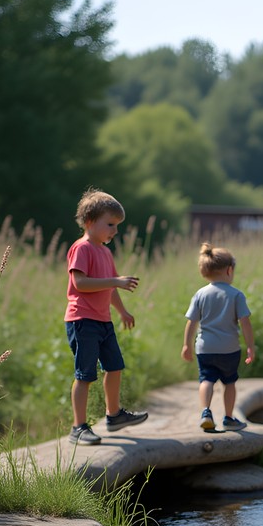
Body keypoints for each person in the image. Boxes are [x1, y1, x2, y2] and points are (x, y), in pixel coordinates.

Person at [64, 188, 148, 446]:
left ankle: (113, 415)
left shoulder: (104, 252)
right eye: (110, 224)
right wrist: (116, 280)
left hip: (103, 320)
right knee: (85, 375)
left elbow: (107, 288)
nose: (115, 231)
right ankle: (78, 427)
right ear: (90, 221)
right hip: (82, 320)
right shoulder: (82, 248)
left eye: (117, 226)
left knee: (115, 366)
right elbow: (80, 283)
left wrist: (122, 310)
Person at [182, 243, 256, 432]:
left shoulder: (200, 294)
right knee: (229, 382)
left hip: (205, 348)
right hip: (229, 349)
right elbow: (245, 323)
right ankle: (229, 418)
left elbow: (191, 322)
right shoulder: (236, 295)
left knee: (206, 380)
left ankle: (205, 412)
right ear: (229, 270)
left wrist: (187, 346)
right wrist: (250, 346)